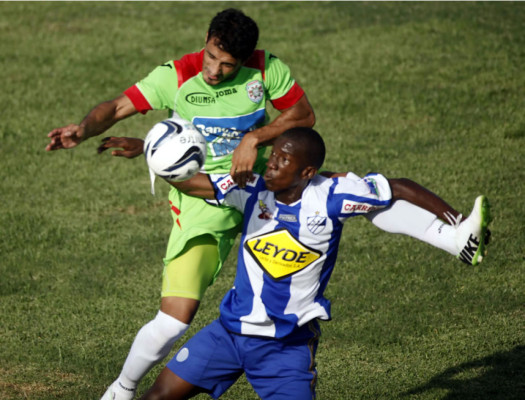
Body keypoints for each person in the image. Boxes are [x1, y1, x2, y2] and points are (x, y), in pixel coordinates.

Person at [46, 9, 315, 400]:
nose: (215, 71)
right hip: (203, 197)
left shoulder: (265, 67)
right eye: (211, 57)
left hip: (263, 188)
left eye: (227, 65)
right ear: (205, 39)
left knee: (293, 276)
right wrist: (83, 130)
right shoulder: (175, 75)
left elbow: (304, 114)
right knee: (175, 319)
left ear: (245, 59)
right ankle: (121, 389)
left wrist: (254, 138)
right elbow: (118, 107)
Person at [138, 127, 492, 400]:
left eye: (283, 160)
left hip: (285, 348)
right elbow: (193, 185)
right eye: (273, 155)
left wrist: (457, 222)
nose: (272, 164)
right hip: (228, 334)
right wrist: (156, 154)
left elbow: (397, 187)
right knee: (158, 396)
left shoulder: (332, 198)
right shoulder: (250, 189)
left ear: (307, 171)